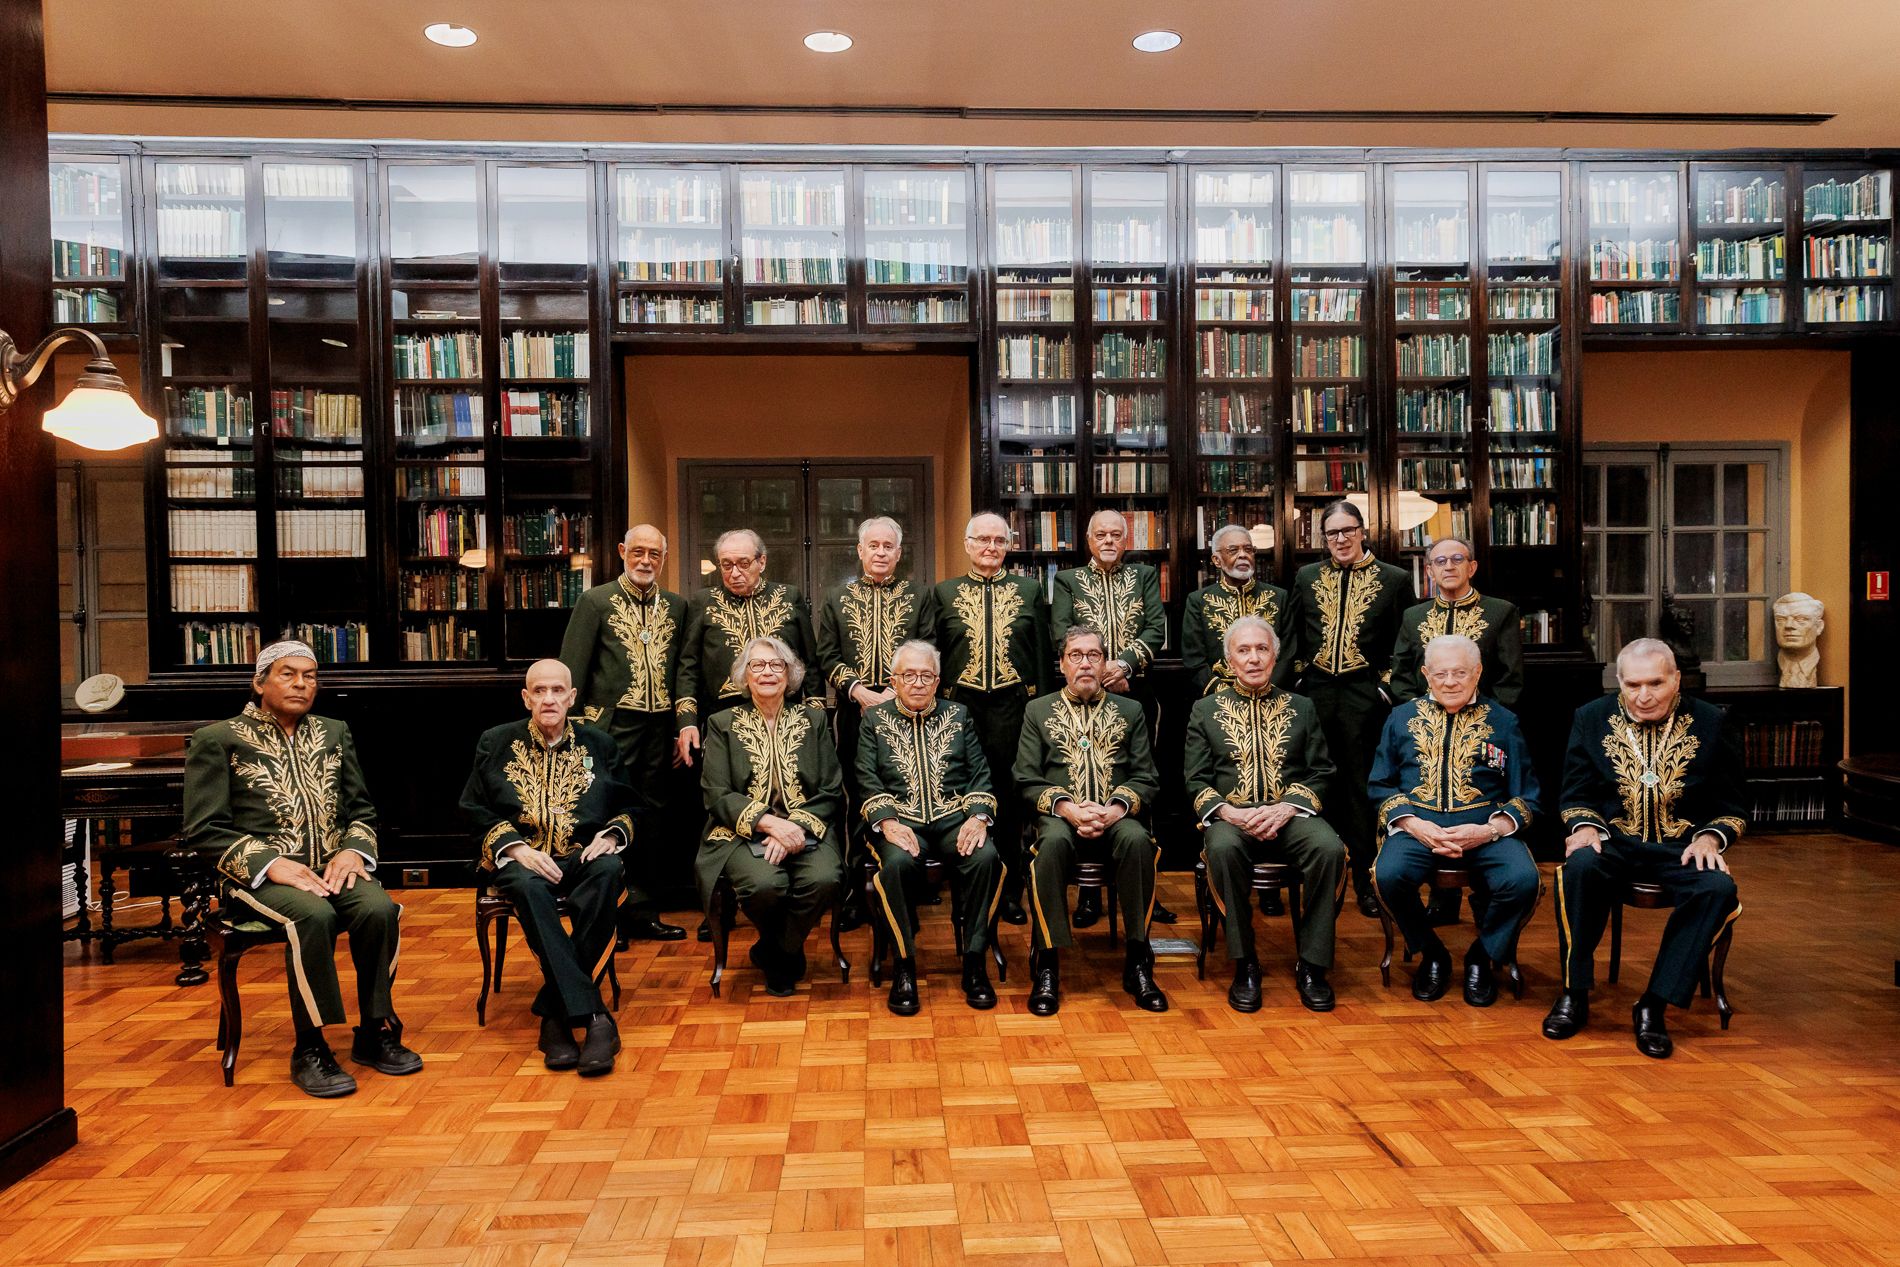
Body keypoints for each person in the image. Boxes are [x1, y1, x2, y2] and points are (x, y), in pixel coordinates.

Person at [182, 640, 421, 1098]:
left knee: (379, 910)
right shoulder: (219, 739)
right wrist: (272, 866)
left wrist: (352, 851)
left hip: (332, 867)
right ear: (259, 682)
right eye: (288, 674)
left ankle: (375, 1030)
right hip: (257, 878)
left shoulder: (333, 731)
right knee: (315, 915)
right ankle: (310, 1046)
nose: (301, 683)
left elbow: (361, 810)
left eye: (310, 676)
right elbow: (204, 829)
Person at [1546, 638, 1745, 1059]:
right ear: (1618, 681)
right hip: (1613, 841)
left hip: (1683, 848)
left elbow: (1733, 805)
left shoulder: (1711, 721)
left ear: (1676, 680)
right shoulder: (1591, 717)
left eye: (1655, 682)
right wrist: (1583, 828)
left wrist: (1711, 837)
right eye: (1632, 684)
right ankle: (1574, 993)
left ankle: (1654, 1004)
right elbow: (1575, 794)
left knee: (1717, 889)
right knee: (1578, 868)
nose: (1644, 695)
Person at [461, 659, 632, 1075]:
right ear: (526, 698)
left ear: (572, 698)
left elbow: (628, 804)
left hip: (578, 855)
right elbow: (473, 807)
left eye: (558, 691)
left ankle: (554, 1011)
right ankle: (592, 1017)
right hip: (520, 858)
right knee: (528, 886)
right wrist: (516, 848)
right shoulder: (495, 741)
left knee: (608, 872)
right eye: (539, 691)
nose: (549, 699)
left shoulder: (600, 744)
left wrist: (609, 836)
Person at [1185, 615, 1346, 1014]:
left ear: (1276, 656)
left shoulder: (1302, 706)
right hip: (1231, 819)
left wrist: (1287, 807)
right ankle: (1245, 962)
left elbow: (1322, 771)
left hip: (1291, 815)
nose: (1254, 659)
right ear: (1228, 660)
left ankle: (1312, 963)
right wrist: (1229, 814)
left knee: (1330, 849)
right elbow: (1195, 779)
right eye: (1243, 650)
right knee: (1221, 851)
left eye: (1262, 649)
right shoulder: (1205, 710)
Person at [1368, 635, 1541, 1007]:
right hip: (1419, 830)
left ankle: (1483, 955)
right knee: (1388, 876)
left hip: (1485, 832)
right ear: (1426, 675)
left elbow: (1527, 796)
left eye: (1460, 673)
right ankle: (1432, 953)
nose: (1450, 682)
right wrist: (1414, 824)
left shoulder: (1503, 721)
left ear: (1477, 673)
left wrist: (1490, 830)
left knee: (1524, 881)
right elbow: (1380, 783)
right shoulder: (1400, 718)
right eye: (1441, 674)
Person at [1015, 625, 1166, 1016]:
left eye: (1094, 656)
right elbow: (1026, 777)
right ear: (1062, 664)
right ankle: (1048, 964)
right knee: (1049, 845)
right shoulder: (1038, 709)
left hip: (1117, 816)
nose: (1085, 663)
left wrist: (1115, 809)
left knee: (1137, 842)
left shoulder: (1131, 710)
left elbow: (1146, 777)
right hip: (1060, 817)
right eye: (1076, 656)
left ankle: (1138, 961)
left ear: (1105, 663)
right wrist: (1067, 808)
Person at [856, 640, 1004, 1014]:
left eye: (926, 675)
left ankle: (974, 962)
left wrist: (978, 816)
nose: (918, 682)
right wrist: (886, 822)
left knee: (985, 857)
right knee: (898, 865)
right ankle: (904, 966)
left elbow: (979, 774)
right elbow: (866, 778)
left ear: (938, 681)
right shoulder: (874, 720)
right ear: (894, 679)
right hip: (901, 821)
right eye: (909, 675)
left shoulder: (959, 714)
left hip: (954, 818)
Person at [920, 512, 1053, 926]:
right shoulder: (943, 593)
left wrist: (1045, 709)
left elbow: (1042, 653)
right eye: (982, 540)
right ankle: (967, 889)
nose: (990, 547)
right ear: (967, 544)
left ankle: (1010, 891)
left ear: (1008, 546)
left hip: (1015, 709)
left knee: (1010, 802)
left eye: (999, 540)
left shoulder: (1030, 590)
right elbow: (932, 653)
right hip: (960, 711)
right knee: (962, 798)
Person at [558, 523, 688, 944]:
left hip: (658, 728)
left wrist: (678, 726)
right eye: (638, 552)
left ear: (664, 558)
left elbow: (681, 670)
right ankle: (605, 912)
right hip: (608, 728)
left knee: (652, 817)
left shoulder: (676, 606)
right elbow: (571, 671)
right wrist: (572, 734)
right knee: (605, 814)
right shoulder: (595, 601)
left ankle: (643, 909)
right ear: (621, 551)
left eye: (654, 553)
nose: (646, 560)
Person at [696, 636, 846, 997]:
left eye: (776, 665)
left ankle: (775, 951)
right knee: (765, 885)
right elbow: (715, 792)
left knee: (826, 878)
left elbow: (831, 786)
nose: (767, 672)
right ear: (744, 677)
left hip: (806, 827)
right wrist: (768, 823)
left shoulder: (814, 720)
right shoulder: (721, 723)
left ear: (790, 674)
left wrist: (791, 826)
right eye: (757, 665)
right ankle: (786, 954)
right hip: (740, 832)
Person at [1387, 534, 1524, 928]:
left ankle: (1485, 896)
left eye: (1457, 559)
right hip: (1424, 729)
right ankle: (1442, 897)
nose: (1448, 566)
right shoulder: (1414, 616)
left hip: (1485, 727)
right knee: (1432, 802)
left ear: (1472, 567)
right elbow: (1401, 676)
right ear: (1429, 570)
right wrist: (1423, 714)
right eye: (1440, 561)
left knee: (1477, 803)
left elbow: (1510, 679)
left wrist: (1484, 718)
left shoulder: (1500, 612)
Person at [1286, 498, 1411, 918]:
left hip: (1364, 694)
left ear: (1362, 531)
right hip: (1316, 692)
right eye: (1332, 533)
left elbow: (1404, 641)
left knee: (1361, 789)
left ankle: (1366, 880)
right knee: (1316, 783)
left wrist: (1384, 689)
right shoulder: (1306, 576)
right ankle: (1319, 874)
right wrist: (1301, 677)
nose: (1340, 539)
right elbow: (1295, 634)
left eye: (1347, 531)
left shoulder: (1393, 579)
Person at [1051, 508, 1175, 929]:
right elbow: (1060, 632)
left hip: (1135, 691)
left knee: (1140, 781)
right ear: (1088, 540)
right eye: (1100, 534)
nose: (1108, 540)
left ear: (1127, 540)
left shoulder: (1142, 576)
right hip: (1082, 692)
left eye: (1116, 535)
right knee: (1082, 778)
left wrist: (1123, 665)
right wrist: (1098, 673)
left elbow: (1156, 629)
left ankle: (1145, 891)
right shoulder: (1067, 580)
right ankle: (1088, 897)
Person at [816, 515, 922, 935]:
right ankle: (857, 895)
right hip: (855, 708)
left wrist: (899, 695)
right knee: (859, 799)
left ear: (899, 552)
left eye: (888, 546)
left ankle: (905, 893)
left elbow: (928, 646)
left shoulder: (917, 596)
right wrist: (858, 691)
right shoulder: (836, 598)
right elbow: (826, 653)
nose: (880, 552)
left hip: (909, 710)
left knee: (908, 794)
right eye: (872, 546)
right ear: (860, 552)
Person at [676, 528, 824, 766]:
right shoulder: (703, 602)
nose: (735, 573)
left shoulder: (788, 597)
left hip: (784, 715)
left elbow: (810, 663)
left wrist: (818, 717)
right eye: (726, 565)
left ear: (761, 561)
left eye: (744, 564)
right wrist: (687, 722)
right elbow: (688, 667)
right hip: (721, 717)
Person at [1182, 523, 1291, 697]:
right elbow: (1194, 659)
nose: (1243, 555)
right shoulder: (1198, 601)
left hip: (1270, 697)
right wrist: (1226, 694)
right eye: (1233, 550)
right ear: (1217, 560)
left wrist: (1267, 690)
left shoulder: (1279, 597)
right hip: (1218, 699)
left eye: (1248, 549)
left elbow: (1288, 654)